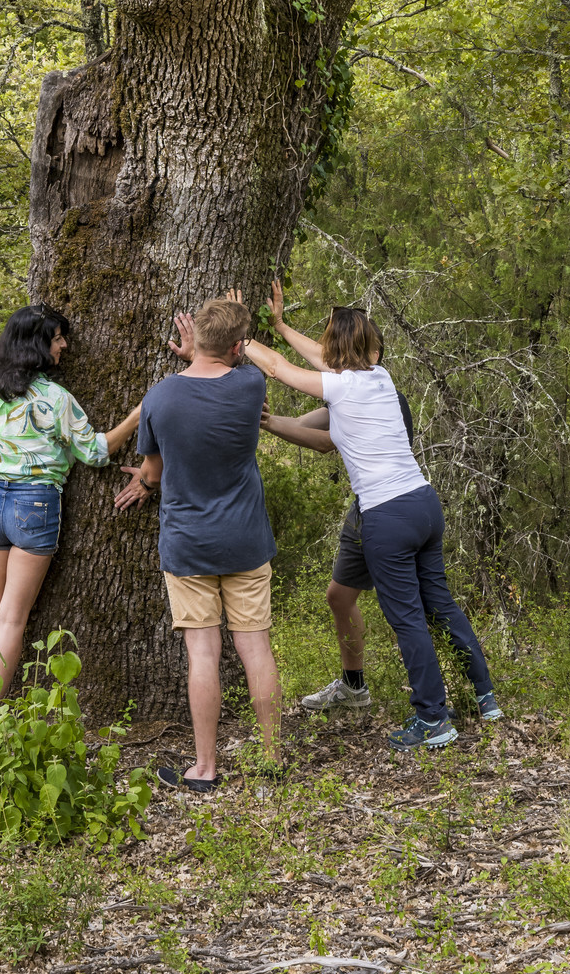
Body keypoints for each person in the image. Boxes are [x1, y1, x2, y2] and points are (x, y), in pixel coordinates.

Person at [246, 282, 501, 751]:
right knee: (439, 604)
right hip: (423, 503)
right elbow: (318, 357)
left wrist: (243, 336)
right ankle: (485, 697)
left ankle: (433, 719)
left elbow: (282, 370)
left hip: (387, 514)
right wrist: (280, 326)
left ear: (334, 351)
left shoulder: (340, 386)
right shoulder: (379, 377)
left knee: (407, 620)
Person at [115, 295, 282, 791]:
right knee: (256, 650)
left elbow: (153, 470)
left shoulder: (161, 398)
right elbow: (229, 368)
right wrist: (206, 353)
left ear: (195, 340)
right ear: (236, 347)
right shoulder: (251, 385)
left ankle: (205, 768)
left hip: (188, 544)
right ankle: (273, 758)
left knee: (202, 656)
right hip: (246, 539)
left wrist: (143, 483)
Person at [0, 306, 142, 709]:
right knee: (11, 619)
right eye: (57, 338)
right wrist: (135, 416)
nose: (64, 345)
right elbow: (95, 451)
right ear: (38, 343)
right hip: (35, 501)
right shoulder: (55, 398)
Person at [262, 346, 461, 715]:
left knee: (414, 609)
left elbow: (325, 442)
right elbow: (307, 422)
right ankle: (354, 687)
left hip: (391, 508)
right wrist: (266, 420)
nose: (329, 355)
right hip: (366, 508)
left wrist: (271, 423)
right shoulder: (348, 386)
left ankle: (442, 696)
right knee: (339, 596)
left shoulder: (379, 393)